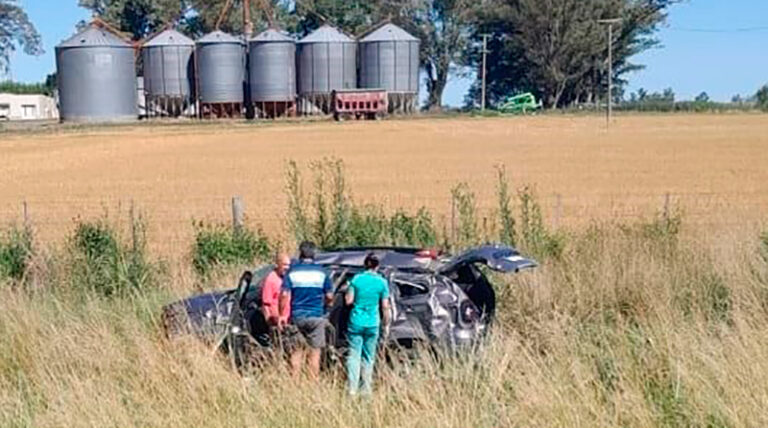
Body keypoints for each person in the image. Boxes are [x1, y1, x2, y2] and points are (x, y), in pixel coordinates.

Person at [279, 241, 333, 378]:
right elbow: (329, 296)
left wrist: (281, 315)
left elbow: (284, 295)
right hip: (316, 316)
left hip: (297, 316)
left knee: (296, 352)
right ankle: (312, 383)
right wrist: (327, 306)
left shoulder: (292, 272)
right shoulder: (322, 272)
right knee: (315, 353)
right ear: (314, 254)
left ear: (300, 253)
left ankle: (294, 382)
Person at [345, 253, 391, 396]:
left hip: (356, 321)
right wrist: (386, 324)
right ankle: (366, 390)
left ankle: (352, 389)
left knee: (354, 355)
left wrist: (348, 288)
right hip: (373, 322)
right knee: (369, 357)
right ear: (377, 266)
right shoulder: (382, 282)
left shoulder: (357, 279)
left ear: (365, 264)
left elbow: (348, 301)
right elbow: (385, 306)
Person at [261, 253, 291, 327]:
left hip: (287, 321)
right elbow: (266, 304)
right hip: (277, 322)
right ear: (278, 264)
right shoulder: (271, 279)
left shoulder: (286, 278)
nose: (287, 267)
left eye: (288, 265)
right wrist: (270, 323)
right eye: (284, 265)